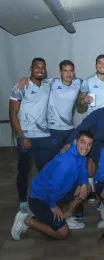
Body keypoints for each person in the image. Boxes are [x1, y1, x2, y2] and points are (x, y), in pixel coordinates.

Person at [11, 131, 93, 241]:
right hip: (41, 199)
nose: (86, 147)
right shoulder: (68, 160)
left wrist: (83, 183)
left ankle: (66, 217)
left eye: (89, 144)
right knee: (63, 233)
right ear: (75, 141)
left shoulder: (78, 152)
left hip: (56, 194)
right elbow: (53, 185)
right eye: (83, 142)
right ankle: (26, 221)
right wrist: (53, 205)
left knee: (87, 188)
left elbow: (83, 169)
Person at [9, 57, 53, 212]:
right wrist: (21, 137)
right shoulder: (21, 86)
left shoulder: (48, 85)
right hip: (26, 137)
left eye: (43, 67)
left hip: (44, 137)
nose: (40, 70)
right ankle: (22, 202)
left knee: (44, 171)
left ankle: (41, 199)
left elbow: (67, 79)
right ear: (31, 68)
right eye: (37, 67)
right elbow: (12, 114)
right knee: (24, 170)